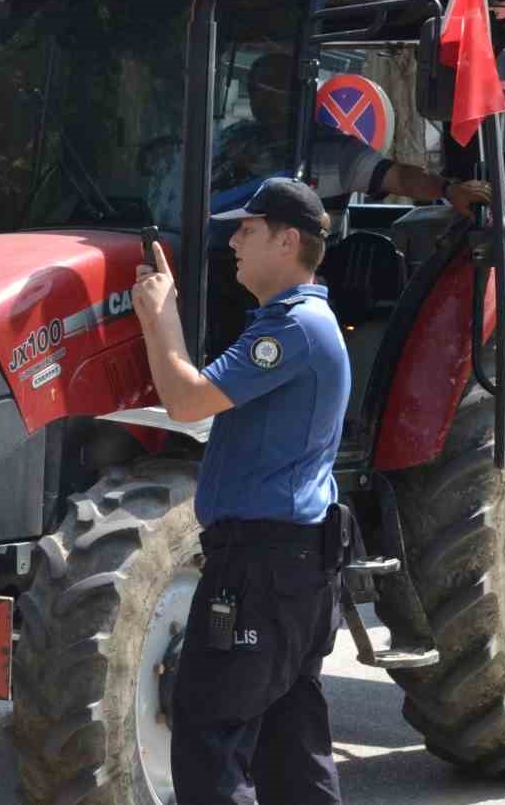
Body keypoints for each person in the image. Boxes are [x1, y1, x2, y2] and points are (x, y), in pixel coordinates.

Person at [131, 177, 348, 805]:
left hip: (262, 565)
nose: (233, 240)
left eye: (247, 229)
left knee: (209, 734)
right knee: (290, 744)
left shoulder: (295, 328)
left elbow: (186, 398)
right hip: (290, 563)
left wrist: (160, 318)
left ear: (288, 240)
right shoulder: (298, 323)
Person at [219, 52, 492, 215]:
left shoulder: (336, 151)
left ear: (299, 94)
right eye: (256, 89)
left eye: (272, 89)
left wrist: (448, 189)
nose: (261, 99)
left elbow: (401, 177)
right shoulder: (235, 138)